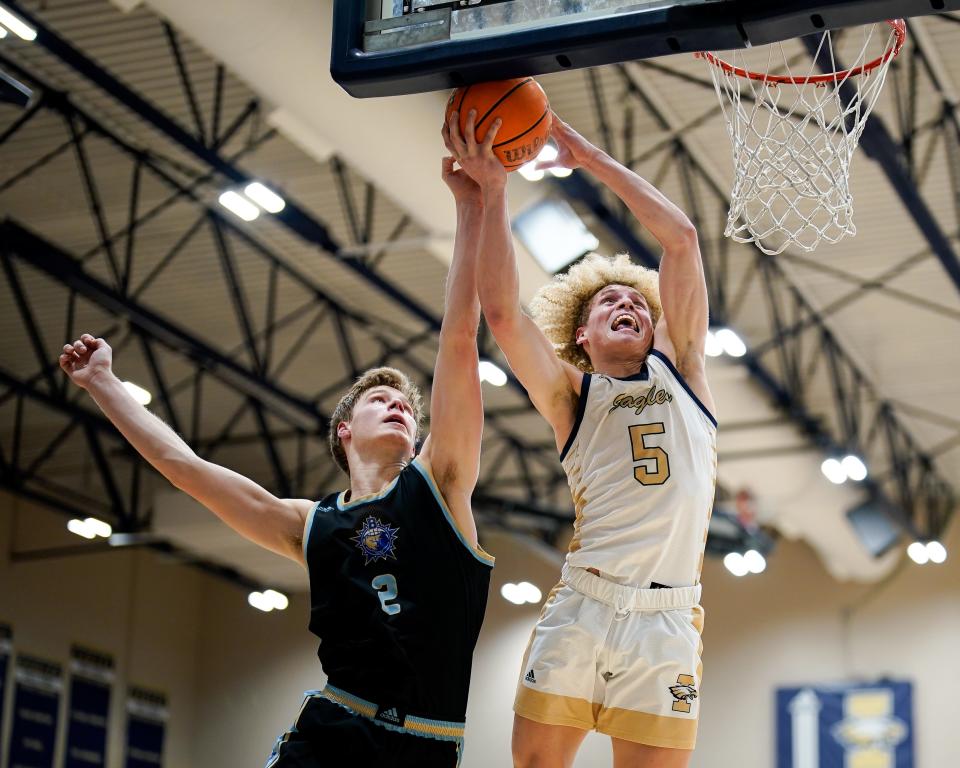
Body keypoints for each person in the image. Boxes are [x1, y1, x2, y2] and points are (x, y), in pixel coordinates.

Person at [58, 151, 497, 768]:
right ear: (344, 430)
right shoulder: (310, 524)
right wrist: (103, 383)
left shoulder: (441, 486)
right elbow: (187, 470)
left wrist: (471, 205)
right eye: (381, 399)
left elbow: (457, 337)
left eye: (408, 406)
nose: (402, 407)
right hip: (333, 731)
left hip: (422, 744)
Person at [446, 108, 717, 767]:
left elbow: (680, 239)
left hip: (667, 618)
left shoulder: (686, 373)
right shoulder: (573, 396)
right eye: (608, 304)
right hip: (585, 604)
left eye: (636, 304)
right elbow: (504, 313)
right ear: (582, 338)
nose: (626, 305)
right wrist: (494, 190)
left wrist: (587, 156)